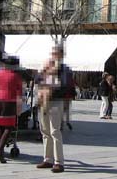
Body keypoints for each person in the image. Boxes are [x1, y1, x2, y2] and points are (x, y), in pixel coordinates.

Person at [36, 45, 72, 173]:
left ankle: (59, 162)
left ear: (61, 55)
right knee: (45, 131)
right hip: (44, 102)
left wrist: (51, 88)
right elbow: (37, 80)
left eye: (56, 53)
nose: (53, 55)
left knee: (55, 131)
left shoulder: (64, 69)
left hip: (56, 102)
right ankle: (48, 159)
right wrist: (44, 71)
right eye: (52, 52)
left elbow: (65, 86)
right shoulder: (47, 66)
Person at [0, 58, 24, 164]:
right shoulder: (16, 76)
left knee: (0, 126)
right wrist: (19, 108)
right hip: (10, 102)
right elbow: (20, 93)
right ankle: (0, 150)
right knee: (9, 127)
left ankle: (0, 153)